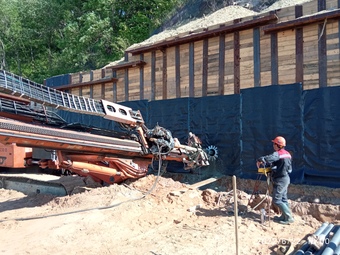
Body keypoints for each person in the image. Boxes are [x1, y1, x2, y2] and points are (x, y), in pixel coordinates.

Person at [256, 136, 294, 225]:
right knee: (283, 198)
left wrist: (260, 160)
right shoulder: (287, 153)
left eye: (274, 143)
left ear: (277, 145)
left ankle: (289, 217)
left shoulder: (278, 154)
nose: (273, 145)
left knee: (277, 200)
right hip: (285, 178)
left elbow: (268, 158)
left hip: (280, 180)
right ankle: (284, 216)